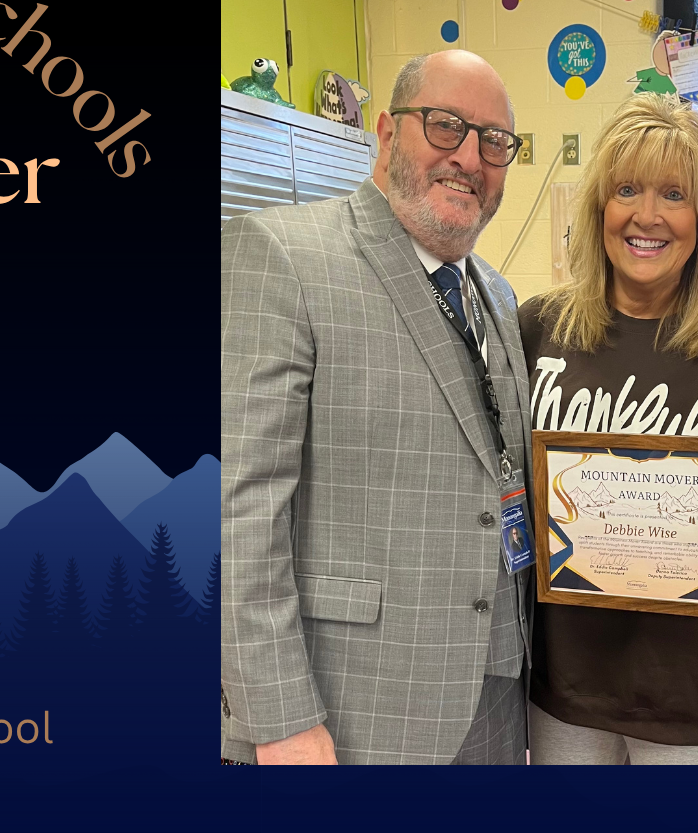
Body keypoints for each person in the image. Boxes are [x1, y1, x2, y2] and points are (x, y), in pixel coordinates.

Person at [220, 50, 536, 765]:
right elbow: (238, 509)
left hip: (495, 701)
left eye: (493, 142)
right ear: (388, 134)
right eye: (446, 126)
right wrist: (278, 718)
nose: (469, 157)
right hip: (349, 713)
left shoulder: (497, 293)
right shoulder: (283, 257)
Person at [518, 92, 698, 765]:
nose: (647, 216)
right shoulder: (536, 330)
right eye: (626, 189)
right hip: (564, 682)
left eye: (674, 194)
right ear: (599, 209)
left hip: (689, 693)